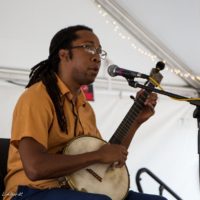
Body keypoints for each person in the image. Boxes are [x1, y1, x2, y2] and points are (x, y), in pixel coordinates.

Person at [3, 25, 167, 200]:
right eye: (88, 47)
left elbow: (105, 159)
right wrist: (98, 155)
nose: (97, 58)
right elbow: (35, 168)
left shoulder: (84, 107)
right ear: (64, 54)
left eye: (99, 51)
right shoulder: (37, 97)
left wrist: (136, 122)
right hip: (28, 191)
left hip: (76, 189)